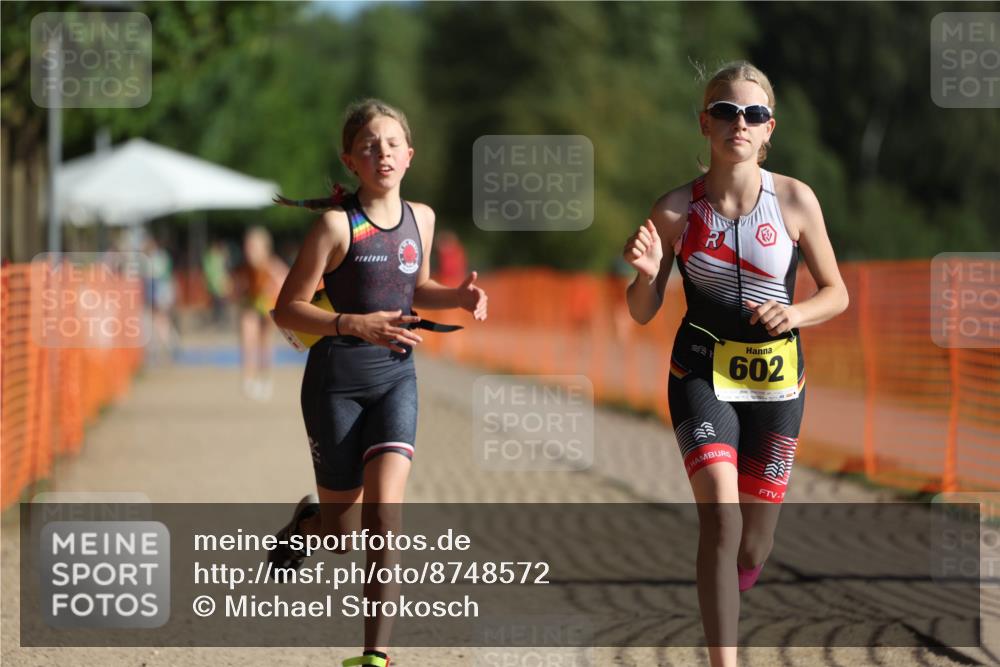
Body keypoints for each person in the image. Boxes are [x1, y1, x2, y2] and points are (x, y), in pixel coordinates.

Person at [622, 62, 849, 667]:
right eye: (725, 111)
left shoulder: (796, 199)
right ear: (705, 122)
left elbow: (837, 292)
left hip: (777, 381)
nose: (737, 124)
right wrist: (645, 278)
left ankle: (741, 572)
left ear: (768, 129)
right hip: (699, 374)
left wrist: (795, 315)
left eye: (752, 114)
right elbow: (642, 311)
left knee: (753, 545)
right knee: (721, 521)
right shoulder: (675, 210)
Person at [270, 98, 488, 667]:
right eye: (369, 145)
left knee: (384, 515)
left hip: (397, 379)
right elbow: (285, 311)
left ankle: (375, 656)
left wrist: (459, 296)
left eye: (391, 143)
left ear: (409, 155)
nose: (382, 152)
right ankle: (307, 524)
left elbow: (414, 288)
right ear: (351, 161)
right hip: (334, 386)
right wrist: (349, 322)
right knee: (342, 533)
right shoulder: (336, 227)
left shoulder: (424, 217)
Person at [233, 226, 288, 400]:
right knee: (248, 339)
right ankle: (248, 379)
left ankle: (265, 379)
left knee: (265, 343)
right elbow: (237, 287)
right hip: (250, 304)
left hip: (269, 306)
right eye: (247, 247)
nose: (249, 251)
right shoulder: (245, 268)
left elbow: (285, 280)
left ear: (265, 248)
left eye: (253, 247)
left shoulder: (272, 265)